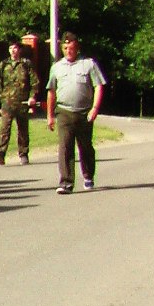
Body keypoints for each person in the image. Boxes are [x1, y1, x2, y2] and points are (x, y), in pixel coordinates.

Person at [46, 32, 105, 194]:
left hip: (84, 112)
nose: (68, 51)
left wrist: (95, 108)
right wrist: (50, 115)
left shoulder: (88, 64)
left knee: (85, 147)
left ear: (76, 48)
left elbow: (98, 86)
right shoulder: (56, 67)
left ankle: (88, 175)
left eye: (71, 48)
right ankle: (66, 182)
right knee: (65, 146)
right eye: (65, 48)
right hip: (64, 112)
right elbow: (51, 91)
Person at [0, 38, 41, 166]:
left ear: (19, 50)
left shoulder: (26, 64)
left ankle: (23, 153)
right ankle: (0, 153)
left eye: (15, 48)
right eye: (10, 48)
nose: (12, 51)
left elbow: (34, 82)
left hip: (22, 102)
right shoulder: (3, 64)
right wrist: (1, 97)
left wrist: (32, 97)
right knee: (5, 128)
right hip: (7, 102)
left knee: (23, 129)